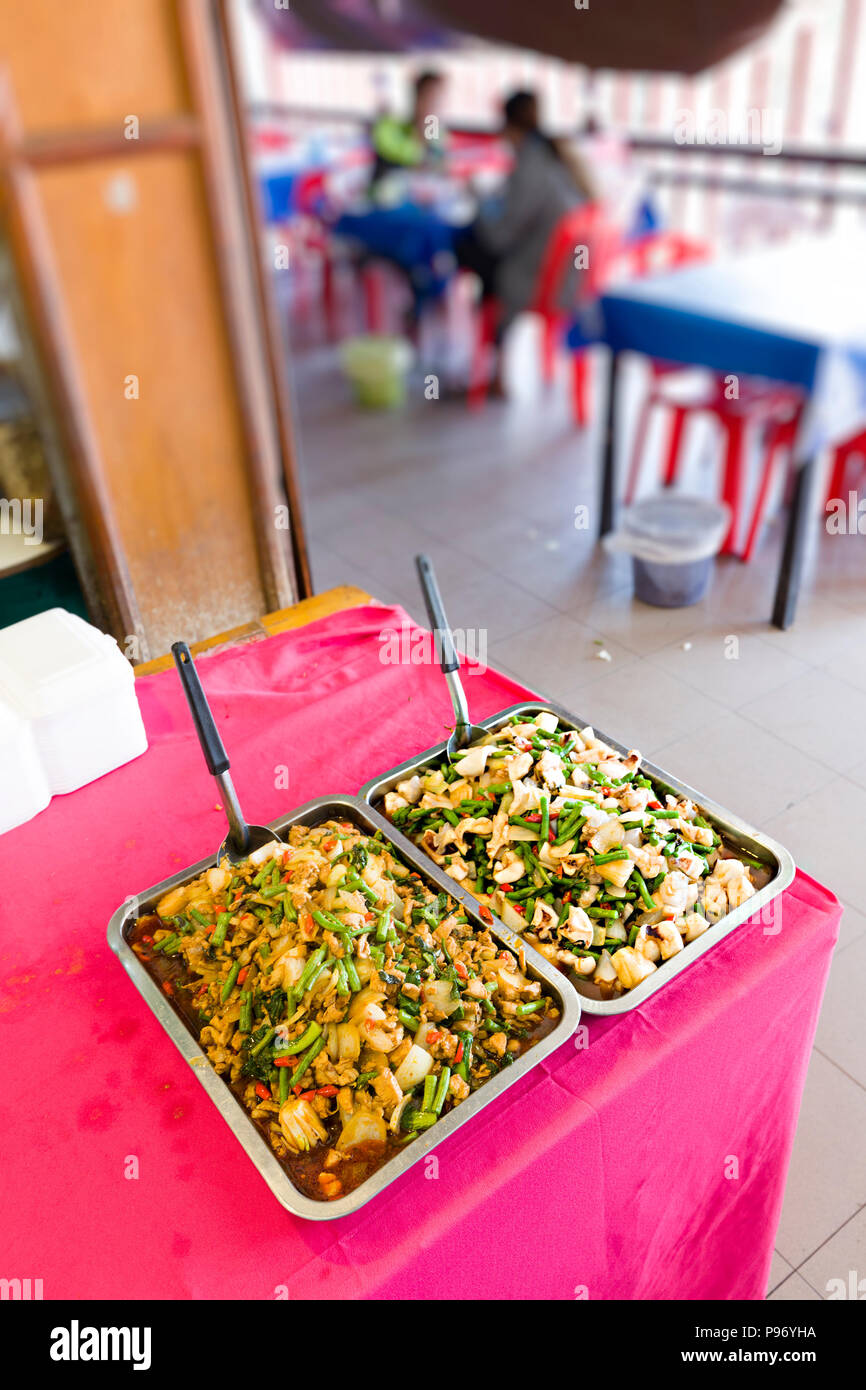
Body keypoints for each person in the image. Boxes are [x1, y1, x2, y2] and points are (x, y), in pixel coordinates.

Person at [455, 90, 597, 387]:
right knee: (481, 256)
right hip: (573, 275)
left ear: (507, 127)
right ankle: (494, 365)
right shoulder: (556, 155)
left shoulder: (531, 164)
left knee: (475, 255)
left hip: (546, 279)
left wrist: (479, 200)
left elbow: (499, 236)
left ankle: (494, 369)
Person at [369, 70, 446, 192]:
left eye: (437, 100)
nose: (434, 106)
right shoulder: (388, 127)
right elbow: (413, 158)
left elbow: (437, 166)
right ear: (418, 96)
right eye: (430, 98)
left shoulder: (435, 132)